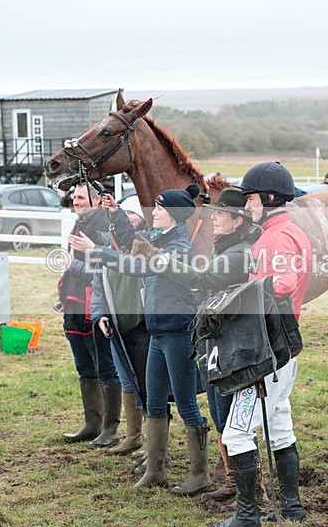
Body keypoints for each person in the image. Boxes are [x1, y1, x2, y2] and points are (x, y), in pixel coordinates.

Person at [68, 183, 211, 496]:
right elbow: (133, 241)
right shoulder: (162, 237)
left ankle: (200, 474)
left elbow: (137, 265)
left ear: (172, 215)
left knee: (186, 405)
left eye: (159, 209)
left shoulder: (179, 248)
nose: (153, 212)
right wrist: (116, 213)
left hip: (177, 332)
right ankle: (155, 469)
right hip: (158, 331)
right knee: (155, 402)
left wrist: (98, 253)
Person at [138, 188, 260, 503]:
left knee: (224, 415)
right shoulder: (225, 247)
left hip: (226, 341)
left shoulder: (237, 253)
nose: (213, 219)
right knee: (220, 415)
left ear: (237, 221)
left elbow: (201, 278)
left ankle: (235, 485)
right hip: (213, 338)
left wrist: (159, 259)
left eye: (219, 214)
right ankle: (229, 482)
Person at [214, 162, 310, 526]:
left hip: (265, 349)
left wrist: (240, 295)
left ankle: (246, 515)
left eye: (251, 198)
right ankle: (291, 506)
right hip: (279, 346)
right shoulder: (285, 231)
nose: (247, 206)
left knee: (238, 433)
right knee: (281, 423)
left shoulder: (277, 236)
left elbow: (283, 283)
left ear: (268, 198)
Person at [58, 182, 122, 447]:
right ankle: (92, 424)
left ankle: (110, 429)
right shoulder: (79, 225)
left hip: (92, 309)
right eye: (75, 197)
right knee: (84, 367)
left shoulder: (102, 230)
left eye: (81, 197)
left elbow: (103, 271)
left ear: (97, 201)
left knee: (105, 366)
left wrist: (73, 266)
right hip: (74, 307)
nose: (76, 201)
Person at [89, 193, 150, 455]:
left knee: (148, 383)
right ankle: (133, 434)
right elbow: (99, 284)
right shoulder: (109, 243)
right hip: (116, 323)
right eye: (126, 214)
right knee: (127, 380)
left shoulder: (143, 244)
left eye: (132, 214)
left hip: (141, 323)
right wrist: (99, 314)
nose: (129, 218)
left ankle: (153, 440)